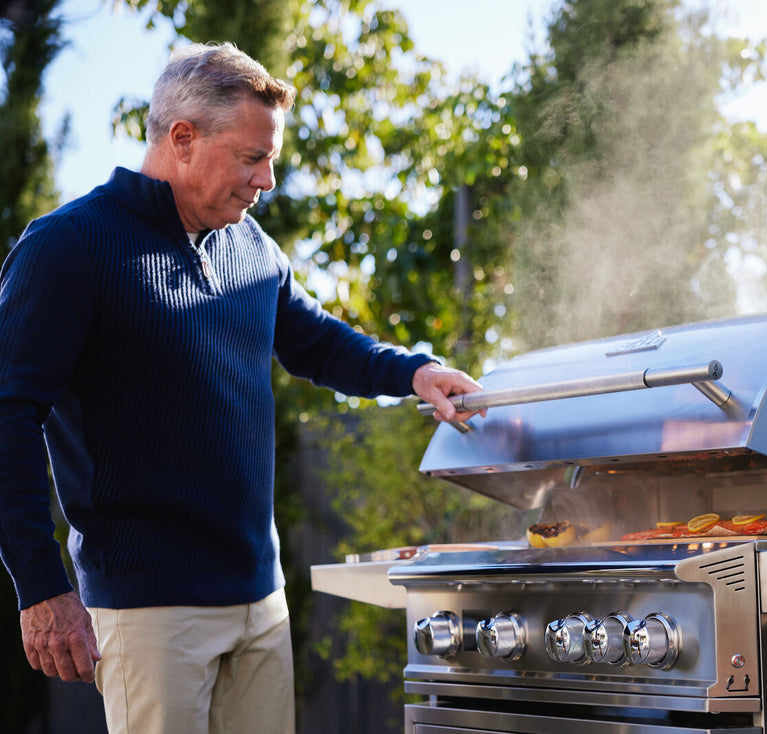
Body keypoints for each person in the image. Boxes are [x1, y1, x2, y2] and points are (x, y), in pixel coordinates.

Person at [0, 42, 482, 734]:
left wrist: (412, 371)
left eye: (271, 159)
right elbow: (10, 416)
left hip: (261, 600)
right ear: (183, 139)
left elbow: (318, 342)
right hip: (149, 611)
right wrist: (40, 586)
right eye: (253, 158)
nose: (268, 180)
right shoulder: (69, 247)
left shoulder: (253, 250)